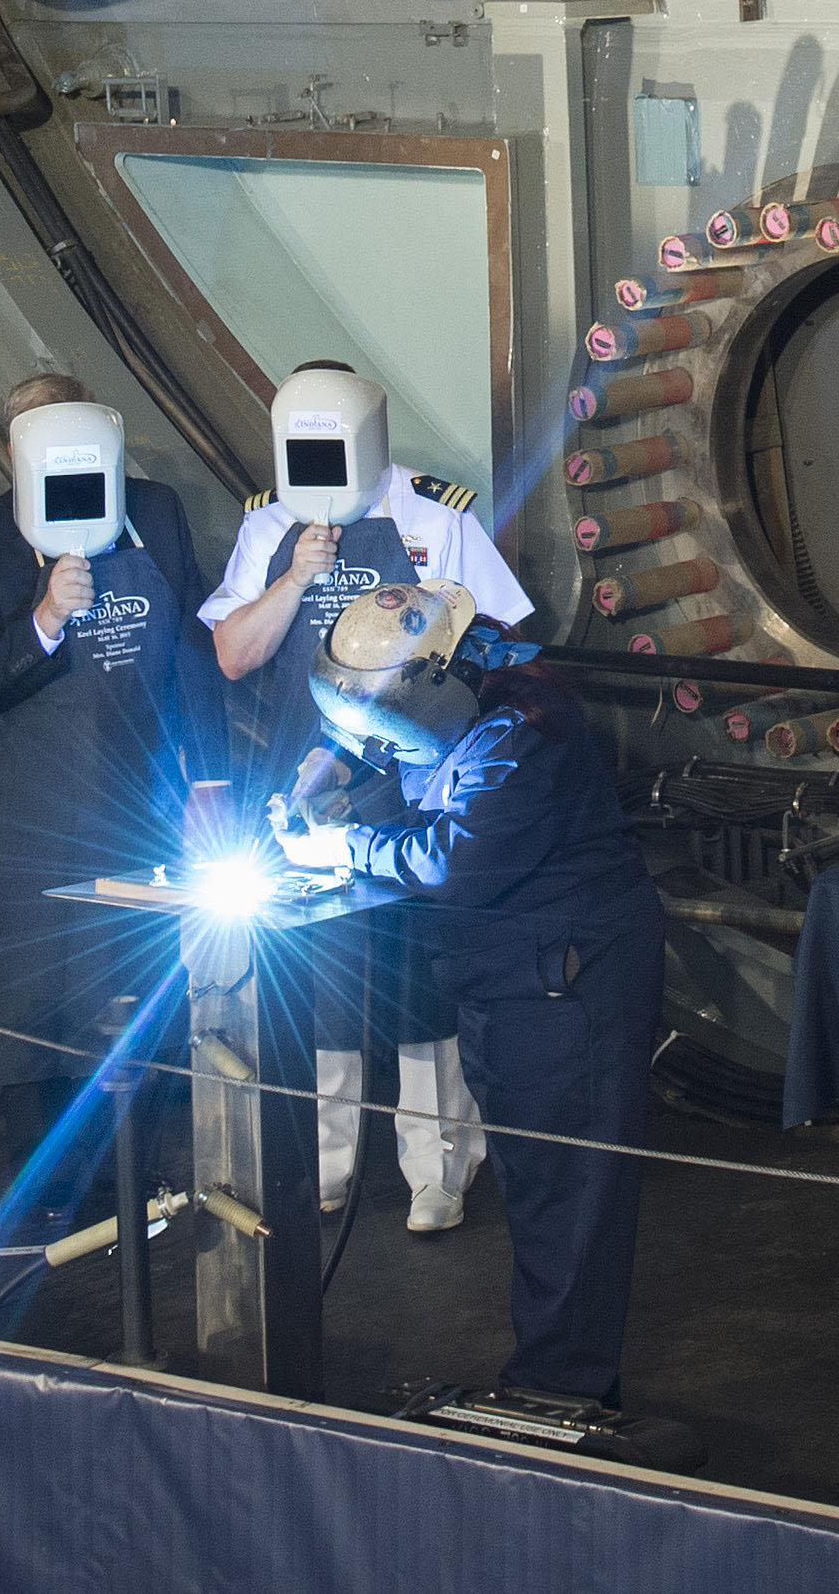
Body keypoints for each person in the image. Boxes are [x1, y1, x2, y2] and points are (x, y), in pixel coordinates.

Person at [277, 581, 677, 1445]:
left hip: (568, 986)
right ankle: (554, 1377)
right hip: (513, 978)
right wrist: (326, 767)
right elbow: (374, 733)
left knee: (567, 1198)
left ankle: (559, 1390)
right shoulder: (460, 696)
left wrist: (336, 842)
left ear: (440, 674)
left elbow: (450, 860)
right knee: (540, 1190)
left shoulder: (527, 730)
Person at [202, 359, 519, 1229]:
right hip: (300, 784)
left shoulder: (432, 513)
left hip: (414, 784)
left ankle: (438, 1169)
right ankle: (324, 1165)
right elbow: (232, 654)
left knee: (422, 984)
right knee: (321, 981)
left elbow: (496, 637)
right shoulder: (267, 523)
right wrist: (298, 573)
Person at [0, 372, 207, 1225]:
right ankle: (47, 1193)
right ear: (11, 448)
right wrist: (45, 616)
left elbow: (193, 654)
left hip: (145, 798)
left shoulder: (154, 510)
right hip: (32, 807)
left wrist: (210, 782)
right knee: (33, 996)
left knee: (138, 987)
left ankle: (139, 1177)